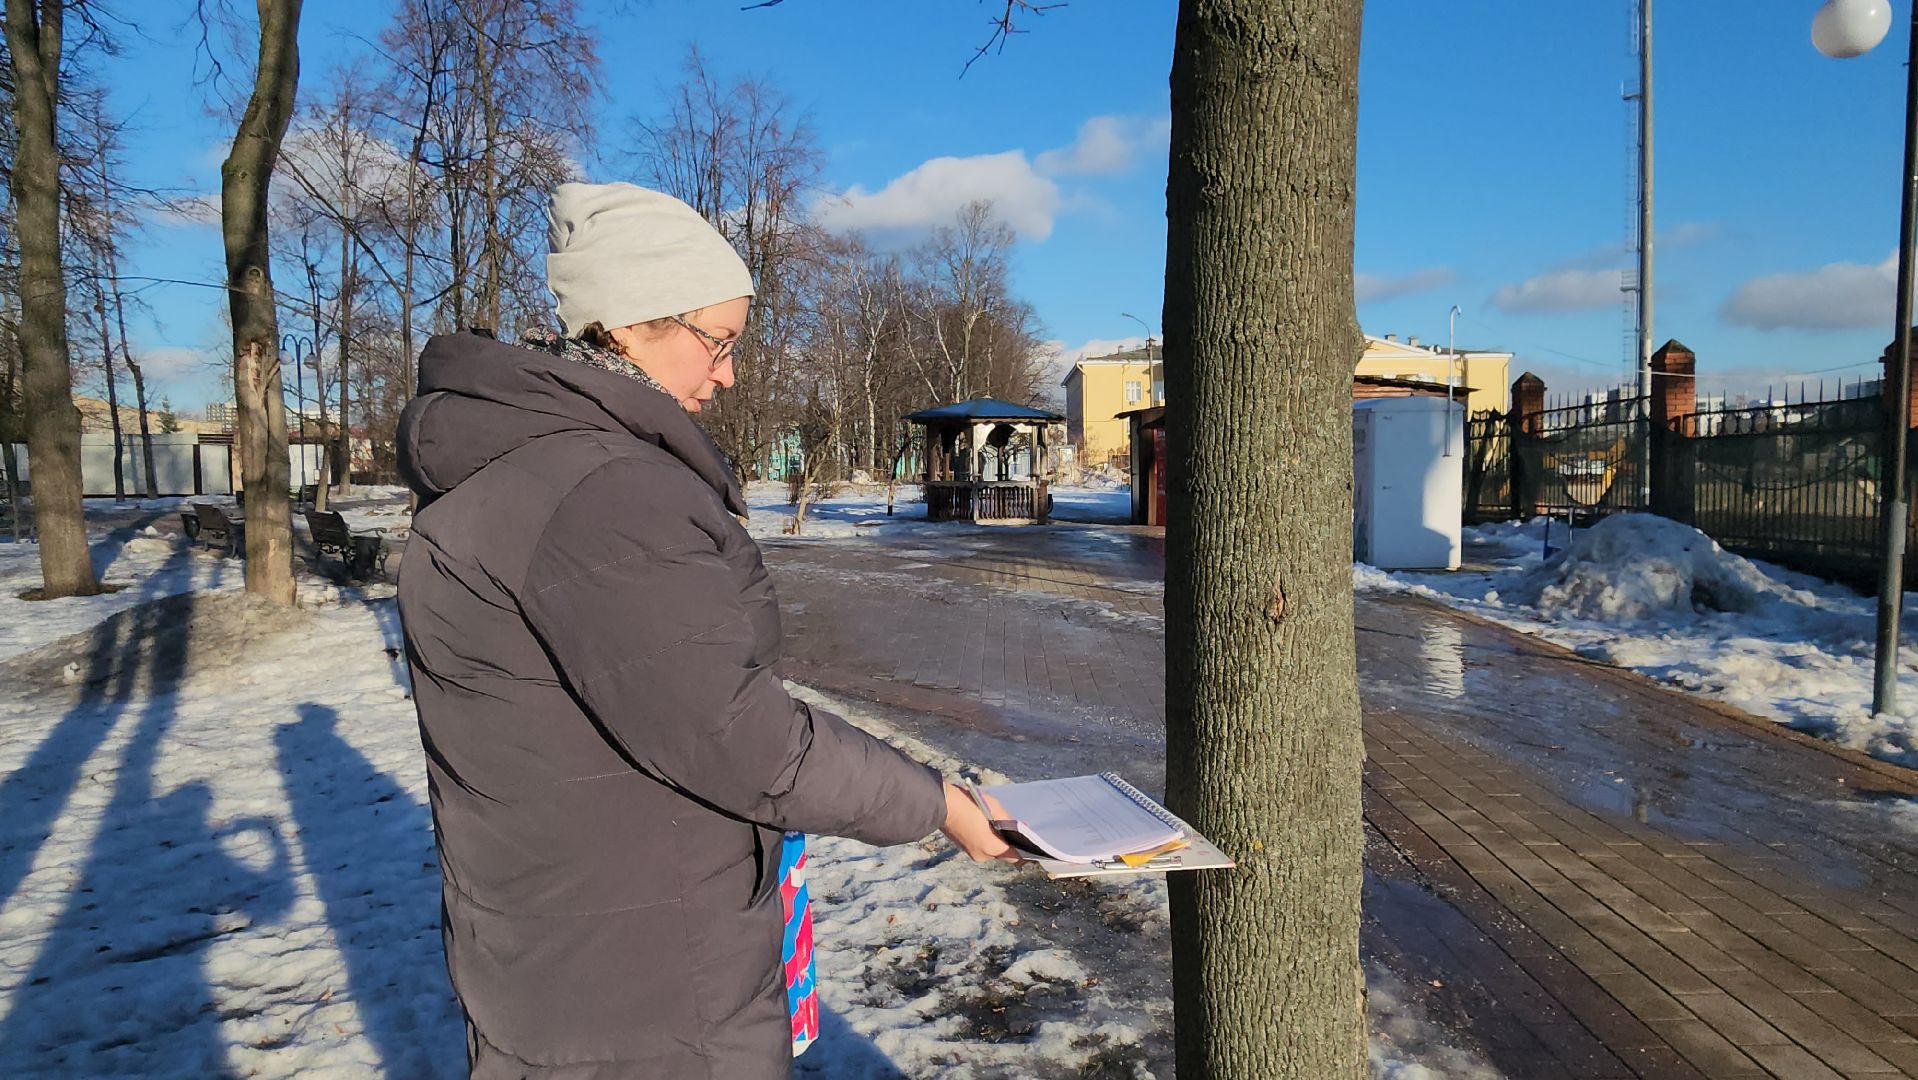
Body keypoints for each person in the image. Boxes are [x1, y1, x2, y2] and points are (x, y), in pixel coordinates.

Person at [395, 181, 1015, 1079]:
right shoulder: (605, 493)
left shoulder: (526, 460)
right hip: (645, 986)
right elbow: (739, 736)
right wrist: (938, 803)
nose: (726, 373)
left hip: (565, 941)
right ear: (627, 325)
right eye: (715, 342)